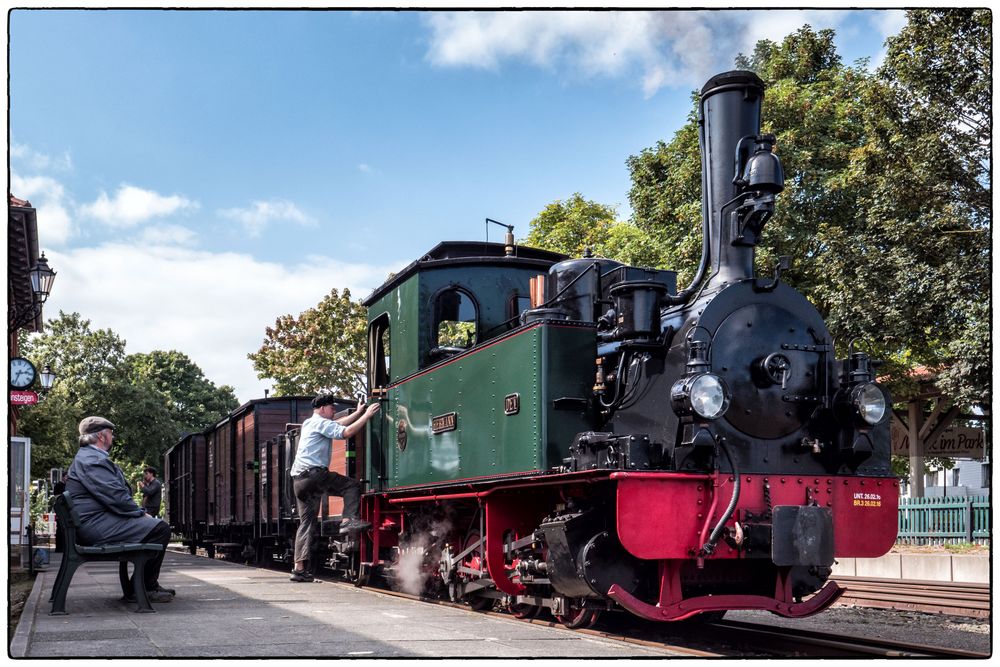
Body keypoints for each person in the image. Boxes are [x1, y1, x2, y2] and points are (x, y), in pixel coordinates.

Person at [64, 416, 175, 603]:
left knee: (155, 527)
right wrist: (141, 513)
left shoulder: (88, 457)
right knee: (160, 529)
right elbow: (115, 496)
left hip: (95, 522)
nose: (113, 438)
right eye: (111, 434)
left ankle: (144, 585)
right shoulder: (92, 460)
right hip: (96, 526)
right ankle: (144, 587)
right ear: (101, 436)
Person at [289, 394, 380, 582]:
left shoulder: (308, 423)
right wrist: (367, 416)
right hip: (315, 476)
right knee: (352, 486)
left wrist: (358, 412)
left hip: (299, 481)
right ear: (322, 409)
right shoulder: (321, 423)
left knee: (305, 525)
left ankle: (299, 569)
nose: (333, 411)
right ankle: (348, 521)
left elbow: (340, 423)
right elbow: (345, 432)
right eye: (331, 408)